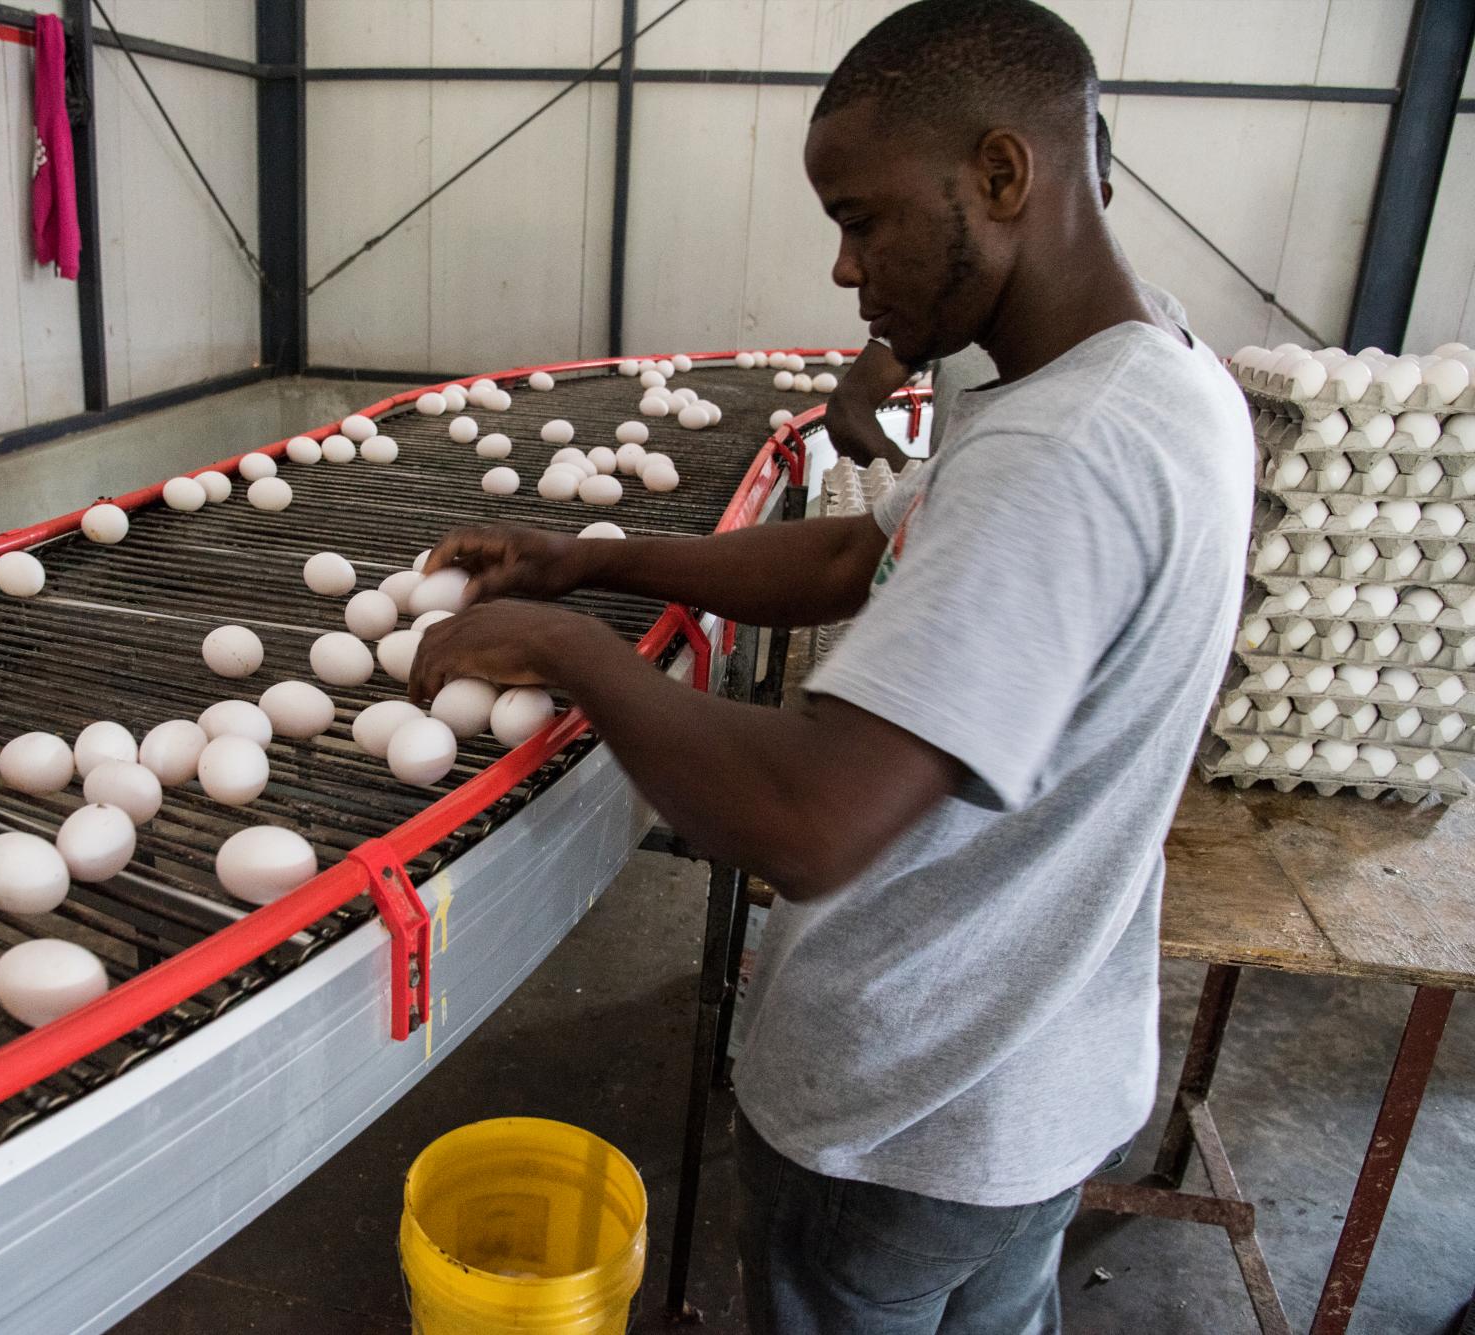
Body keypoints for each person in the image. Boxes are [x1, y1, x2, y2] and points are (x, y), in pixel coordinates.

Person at [407, 2, 1254, 1331]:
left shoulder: (1061, 454)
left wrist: (574, 654)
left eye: (863, 219)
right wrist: (593, 559)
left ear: (1000, 174)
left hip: (904, 1117)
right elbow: (865, 552)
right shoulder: (1150, 370)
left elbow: (809, 819)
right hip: (1037, 1088)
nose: (848, 272)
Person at [823, 111, 1190, 465]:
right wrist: (923, 497)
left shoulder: (1157, 325)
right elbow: (850, 406)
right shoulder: (955, 300)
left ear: (1097, 202)